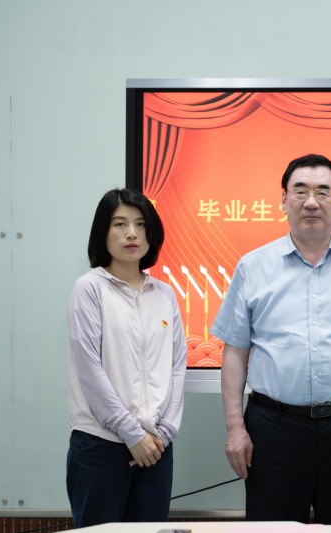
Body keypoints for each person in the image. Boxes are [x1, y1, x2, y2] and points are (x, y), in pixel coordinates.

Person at [210, 153, 331, 525]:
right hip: (273, 427)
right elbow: (235, 351)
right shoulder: (253, 266)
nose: (311, 202)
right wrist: (235, 427)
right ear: (283, 200)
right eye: (300, 191)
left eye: (323, 192)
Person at [66, 188, 187, 528]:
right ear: (103, 233)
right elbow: (90, 370)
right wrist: (132, 434)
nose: (131, 233)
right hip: (101, 445)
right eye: (119, 224)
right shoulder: (89, 288)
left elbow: (177, 367)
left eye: (140, 224)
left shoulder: (164, 294)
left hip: (157, 446)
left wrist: (165, 432)